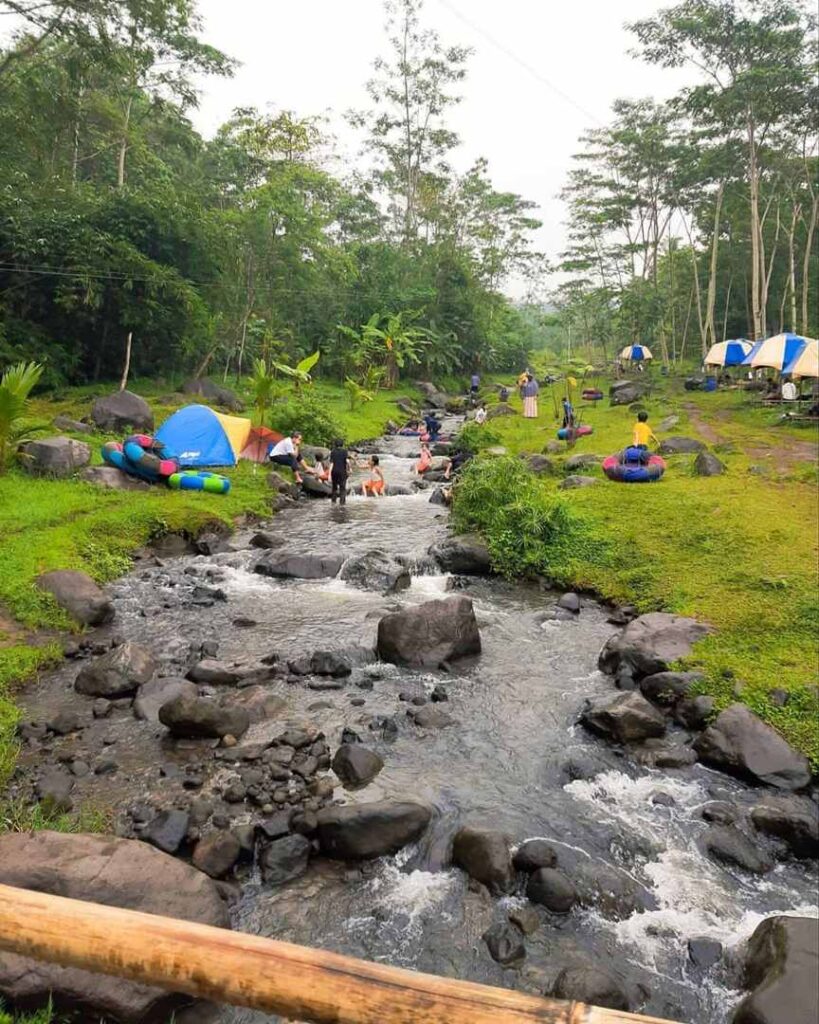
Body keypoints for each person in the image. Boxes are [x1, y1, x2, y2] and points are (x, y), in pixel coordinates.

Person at [329, 438, 351, 504]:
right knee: (342, 488)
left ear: (335, 444)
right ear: (342, 444)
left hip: (334, 471)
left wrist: (329, 474)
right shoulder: (344, 451)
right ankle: (342, 504)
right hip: (342, 472)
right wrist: (349, 469)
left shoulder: (332, 452)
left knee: (334, 488)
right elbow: (347, 461)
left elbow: (331, 463)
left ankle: (333, 502)